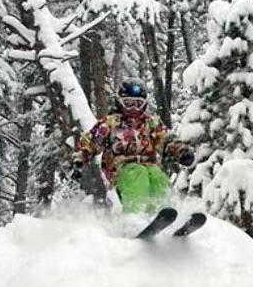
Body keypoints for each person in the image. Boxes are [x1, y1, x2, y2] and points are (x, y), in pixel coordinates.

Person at [75, 79, 193, 213]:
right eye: (128, 104)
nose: (133, 109)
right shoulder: (111, 122)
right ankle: (134, 215)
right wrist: (81, 157)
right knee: (138, 174)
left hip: (149, 165)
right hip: (121, 168)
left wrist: (181, 151)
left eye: (138, 104)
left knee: (157, 176)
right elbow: (91, 140)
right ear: (119, 102)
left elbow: (166, 139)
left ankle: (162, 211)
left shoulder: (151, 123)